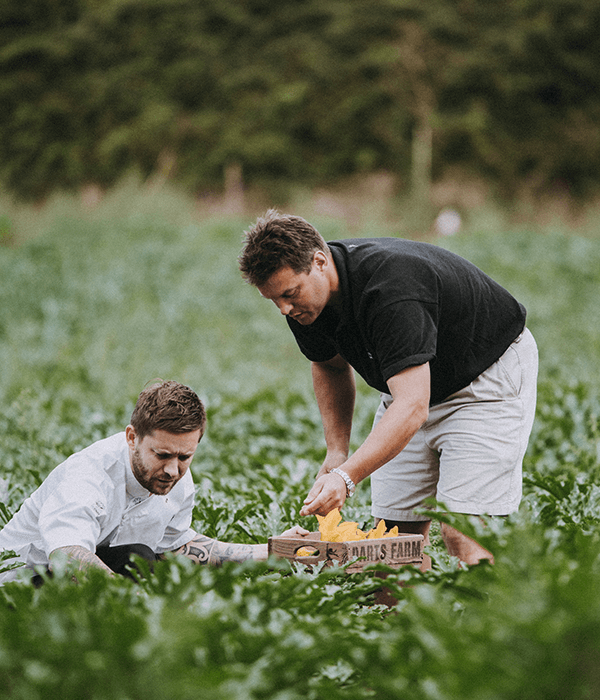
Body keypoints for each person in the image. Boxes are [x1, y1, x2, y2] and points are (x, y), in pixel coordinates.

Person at [239, 210, 538, 566]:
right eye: (274, 300)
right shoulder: (305, 305)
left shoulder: (391, 288)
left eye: (289, 294)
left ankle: (483, 619)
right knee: (392, 540)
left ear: (319, 262)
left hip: (483, 381)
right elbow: (329, 364)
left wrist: (346, 478)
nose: (284, 308)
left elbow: (413, 407)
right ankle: (401, 618)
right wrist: (337, 452)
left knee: (463, 530)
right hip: (410, 388)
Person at [0, 380, 307, 584]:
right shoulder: (88, 476)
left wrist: (271, 552)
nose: (173, 470)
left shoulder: (175, 481)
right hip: (20, 583)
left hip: (74, 581)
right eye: (162, 454)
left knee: (140, 557)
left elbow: (176, 547)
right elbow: (67, 557)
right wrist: (132, 600)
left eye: (185, 457)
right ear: (132, 437)